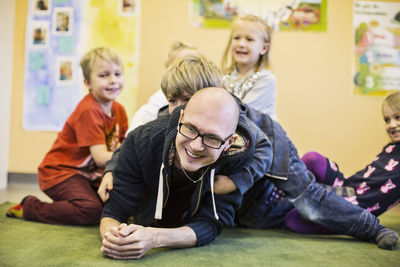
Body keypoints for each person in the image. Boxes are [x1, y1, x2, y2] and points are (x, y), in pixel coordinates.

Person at [100, 57, 397, 260]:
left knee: (309, 201)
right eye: (173, 102)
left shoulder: (244, 133)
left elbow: (263, 150)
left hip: (275, 150)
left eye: (185, 101)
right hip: (244, 175)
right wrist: (113, 167)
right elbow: (134, 144)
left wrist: (236, 181)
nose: (177, 109)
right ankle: (322, 171)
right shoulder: (172, 120)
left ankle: (369, 226)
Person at [100, 87, 271, 259]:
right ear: (181, 117)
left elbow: (211, 223)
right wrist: (115, 239)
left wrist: (154, 238)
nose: (195, 146)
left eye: (212, 137)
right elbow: (114, 211)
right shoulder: (141, 141)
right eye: (190, 128)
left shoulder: (235, 160)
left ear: (229, 142)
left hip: (262, 206)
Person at [6, 47, 128, 225]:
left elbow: (123, 146)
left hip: (88, 175)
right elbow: (102, 158)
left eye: (117, 74)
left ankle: (76, 201)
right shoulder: (89, 111)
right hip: (60, 173)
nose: (113, 81)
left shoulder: (120, 110)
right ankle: (29, 206)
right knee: (90, 210)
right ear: (87, 83)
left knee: (117, 201)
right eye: (104, 75)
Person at [285, 91, 400, 234]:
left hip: (353, 207)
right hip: (347, 186)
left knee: (293, 218)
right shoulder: (391, 147)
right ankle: (286, 189)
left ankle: (287, 200)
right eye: (387, 120)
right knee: (312, 159)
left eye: (397, 117)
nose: (392, 125)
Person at [128, 41, 200, 132]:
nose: (184, 71)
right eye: (178, 66)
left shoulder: (204, 93)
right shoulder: (160, 97)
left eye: (191, 66)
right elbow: (144, 115)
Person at [221, 14, 277, 120]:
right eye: (237, 38)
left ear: (264, 48)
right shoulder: (223, 76)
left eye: (249, 39)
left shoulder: (266, 80)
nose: (241, 44)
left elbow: (243, 115)